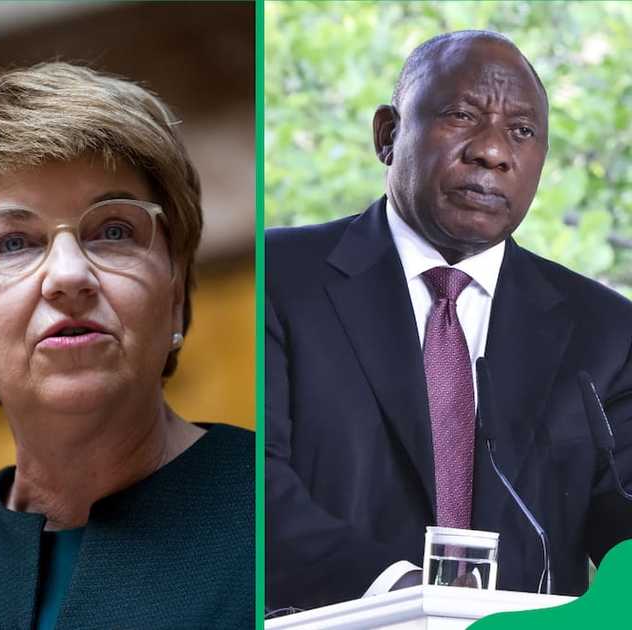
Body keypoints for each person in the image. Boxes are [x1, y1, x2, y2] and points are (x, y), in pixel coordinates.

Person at [266, 30, 632, 611]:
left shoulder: (606, 331)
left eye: (522, 131)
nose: (492, 151)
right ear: (388, 135)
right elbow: (255, 488)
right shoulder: (279, 277)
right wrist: (405, 596)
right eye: (462, 115)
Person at [0, 62, 255, 629]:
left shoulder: (282, 504)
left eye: (113, 231)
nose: (68, 274)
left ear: (175, 292)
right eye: (12, 243)